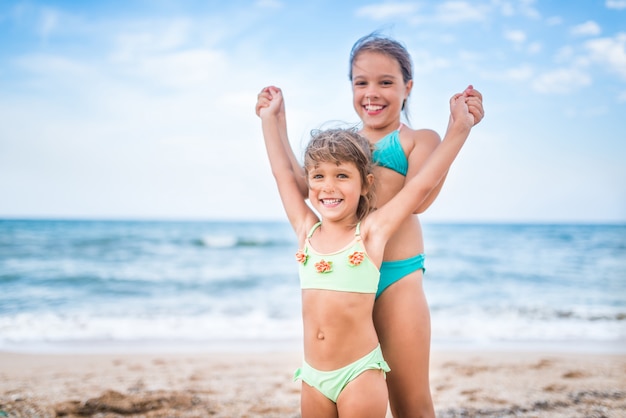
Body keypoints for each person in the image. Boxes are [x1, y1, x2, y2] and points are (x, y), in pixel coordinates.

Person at [257, 34, 485, 417]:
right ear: (351, 87)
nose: (372, 93)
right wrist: (275, 122)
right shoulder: (343, 146)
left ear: (407, 87)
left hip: (395, 276)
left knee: (410, 402)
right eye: (361, 82)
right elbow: (299, 186)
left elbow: (422, 196)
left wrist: (459, 128)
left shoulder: (416, 139)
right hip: (345, 274)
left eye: (385, 82)